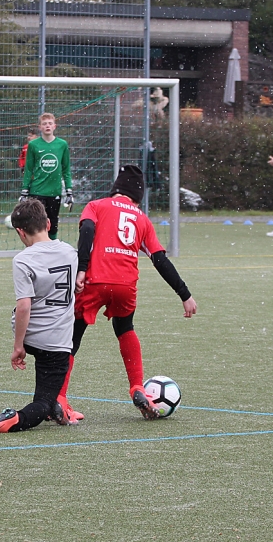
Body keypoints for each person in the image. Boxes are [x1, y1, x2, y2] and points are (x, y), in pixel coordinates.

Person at [58, 165, 197, 421]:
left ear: (116, 189)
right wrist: (184, 294)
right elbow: (160, 260)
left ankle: (60, 398)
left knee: (72, 336)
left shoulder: (96, 206)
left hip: (96, 280)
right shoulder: (142, 218)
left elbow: (87, 231)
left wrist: (82, 268)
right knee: (125, 329)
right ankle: (137, 387)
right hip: (125, 284)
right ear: (137, 196)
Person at [0, 198, 78, 433]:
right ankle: (13, 419)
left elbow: (24, 306)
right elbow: (26, 306)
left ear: (20, 232)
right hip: (56, 341)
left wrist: (19, 345)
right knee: (42, 404)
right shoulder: (70, 252)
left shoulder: (23, 259)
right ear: (48, 224)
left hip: (33, 337)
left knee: (46, 393)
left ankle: (56, 407)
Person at [21, 113, 72, 240]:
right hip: (37, 191)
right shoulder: (33, 145)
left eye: (50, 123)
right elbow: (28, 169)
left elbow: (66, 169)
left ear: (54, 126)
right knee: (36, 224)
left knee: (52, 224)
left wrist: (69, 190)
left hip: (54, 191)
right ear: (40, 127)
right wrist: (24, 189)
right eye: (44, 124)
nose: (47, 126)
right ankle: (37, 248)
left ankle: (52, 247)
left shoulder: (62, 144)